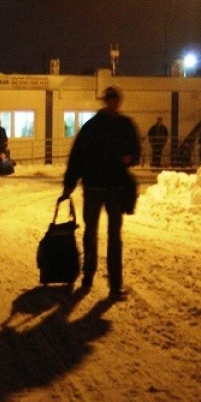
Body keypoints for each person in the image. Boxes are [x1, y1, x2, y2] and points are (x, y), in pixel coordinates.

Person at [60, 86, 141, 300]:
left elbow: (136, 152)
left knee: (115, 237)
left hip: (115, 188)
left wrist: (130, 158)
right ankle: (88, 275)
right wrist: (69, 185)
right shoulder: (92, 127)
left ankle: (115, 285)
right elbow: (77, 157)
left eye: (117, 99)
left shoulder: (126, 125)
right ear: (106, 101)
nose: (114, 103)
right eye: (111, 99)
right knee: (90, 233)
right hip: (94, 187)